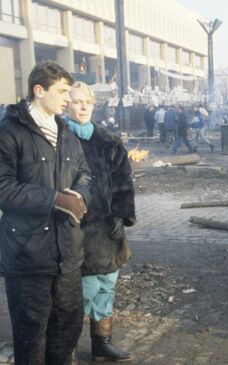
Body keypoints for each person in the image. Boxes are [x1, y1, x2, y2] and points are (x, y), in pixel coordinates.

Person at [0, 61, 92, 365]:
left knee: (67, 329)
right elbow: (3, 188)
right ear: (39, 90)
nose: (68, 98)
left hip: (67, 254)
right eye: (62, 91)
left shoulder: (65, 131)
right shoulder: (9, 132)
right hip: (28, 255)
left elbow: (84, 173)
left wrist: (79, 194)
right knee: (32, 335)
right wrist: (53, 200)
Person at [65, 81, 136, 362]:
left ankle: (101, 344)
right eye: (76, 101)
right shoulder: (58, 139)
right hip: (75, 230)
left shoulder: (108, 140)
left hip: (107, 230)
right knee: (82, 291)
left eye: (88, 102)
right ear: (65, 104)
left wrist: (120, 215)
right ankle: (65, 347)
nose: (83, 107)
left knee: (106, 285)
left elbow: (123, 182)